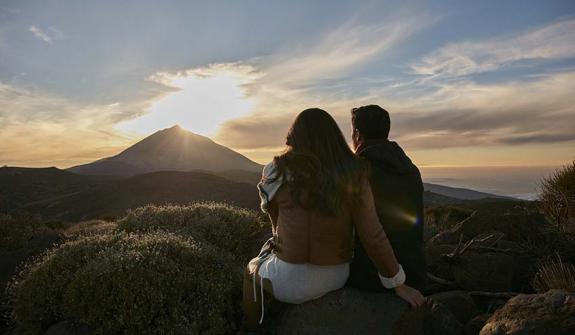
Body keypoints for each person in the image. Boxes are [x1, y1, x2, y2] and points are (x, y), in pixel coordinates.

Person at [243, 108, 424, 330]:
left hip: (286, 280)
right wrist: (398, 283)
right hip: (335, 276)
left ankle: (252, 327)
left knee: (251, 269)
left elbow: (275, 222)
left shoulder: (275, 170)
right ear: (335, 136)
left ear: (294, 135)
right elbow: (373, 235)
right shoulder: (354, 172)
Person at [347, 105, 427, 292]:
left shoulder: (357, 172)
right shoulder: (410, 168)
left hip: (373, 277)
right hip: (414, 273)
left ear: (357, 134)